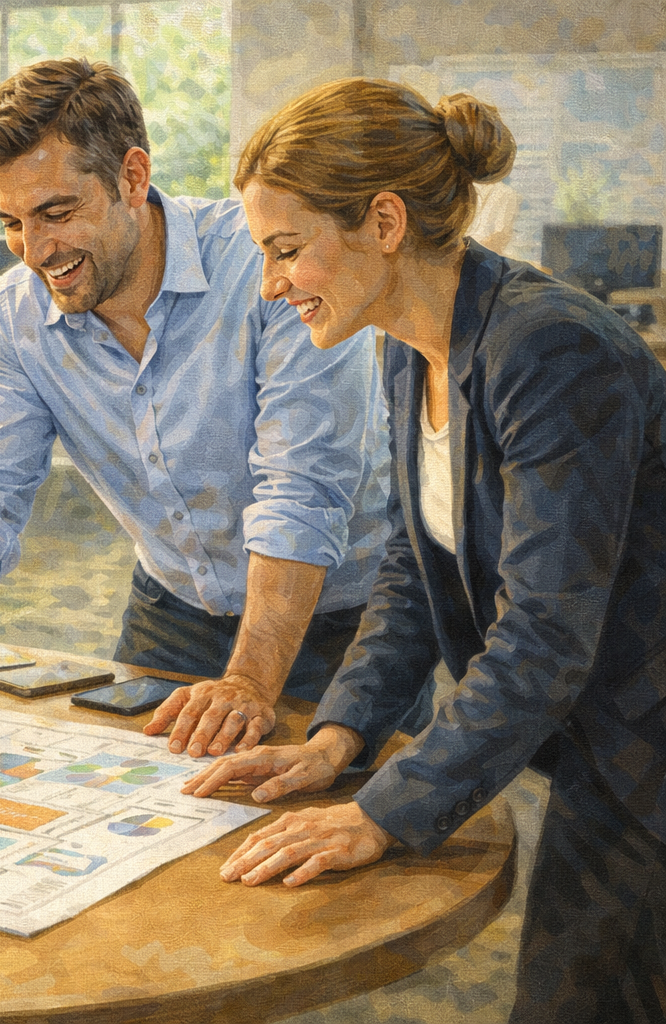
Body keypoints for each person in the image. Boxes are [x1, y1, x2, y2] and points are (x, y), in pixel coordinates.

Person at [184, 78, 666, 1023]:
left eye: (287, 250)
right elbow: (414, 571)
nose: (274, 285)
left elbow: (543, 636)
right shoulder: (413, 343)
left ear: (386, 221)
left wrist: (379, 813)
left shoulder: (551, 348)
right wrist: (338, 738)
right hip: (608, 739)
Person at [0, 58, 393, 756]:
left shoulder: (272, 268)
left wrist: (247, 681)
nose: (35, 251)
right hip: (173, 609)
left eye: (57, 213)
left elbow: (301, 492)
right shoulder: (16, 313)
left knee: (335, 836)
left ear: (132, 178)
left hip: (342, 619)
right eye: (12, 222)